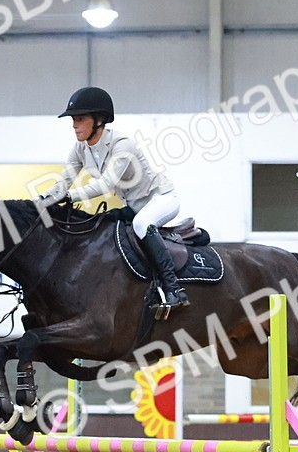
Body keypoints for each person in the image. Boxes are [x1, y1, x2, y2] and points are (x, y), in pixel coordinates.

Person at [36, 86, 189, 312]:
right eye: (73, 120)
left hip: (161, 199)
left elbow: (105, 185)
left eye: (79, 119)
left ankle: (173, 289)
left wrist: (68, 196)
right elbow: (64, 181)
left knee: (141, 224)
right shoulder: (80, 149)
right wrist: (45, 199)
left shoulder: (122, 145)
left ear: (99, 120)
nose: (74, 125)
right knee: (102, 226)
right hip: (134, 206)